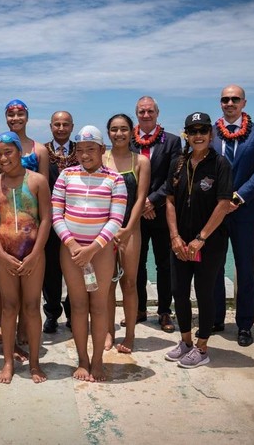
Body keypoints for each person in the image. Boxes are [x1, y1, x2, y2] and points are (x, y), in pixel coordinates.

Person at [52, 125, 127, 382]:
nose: (84, 155)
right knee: (78, 305)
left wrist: (93, 248)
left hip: (102, 251)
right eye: (80, 150)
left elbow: (116, 219)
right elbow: (56, 214)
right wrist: (73, 246)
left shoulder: (115, 179)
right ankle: (82, 359)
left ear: (102, 149)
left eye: (90, 149)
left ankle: (98, 360)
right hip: (71, 251)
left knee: (98, 306)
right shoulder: (65, 175)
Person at [164, 112, 233, 369]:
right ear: (187, 135)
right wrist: (174, 236)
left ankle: (203, 347)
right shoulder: (178, 163)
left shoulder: (220, 164)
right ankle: (185, 342)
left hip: (209, 243)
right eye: (193, 131)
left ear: (211, 134)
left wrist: (201, 238)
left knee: (204, 293)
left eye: (203, 130)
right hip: (180, 242)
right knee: (179, 292)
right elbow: (169, 200)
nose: (198, 135)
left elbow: (224, 203)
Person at [0, 131, 52, 384]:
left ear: (19, 152)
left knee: (32, 307)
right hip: (6, 255)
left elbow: (46, 218)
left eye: (8, 152)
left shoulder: (37, 181)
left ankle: (34, 364)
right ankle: (8, 362)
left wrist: (36, 254)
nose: (3, 158)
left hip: (33, 253)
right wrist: (0, 254)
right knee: (8, 307)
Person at [211, 85, 254, 347]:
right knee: (213, 267)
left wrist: (238, 197)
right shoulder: (209, 133)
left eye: (235, 99)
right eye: (225, 99)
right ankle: (215, 318)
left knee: (245, 269)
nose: (229, 103)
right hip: (213, 212)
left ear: (244, 102)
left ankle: (245, 325)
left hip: (245, 212)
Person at [129, 96, 182, 332]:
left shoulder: (172, 142)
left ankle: (164, 312)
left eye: (150, 111)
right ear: (136, 114)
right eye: (142, 111)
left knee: (164, 264)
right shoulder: (127, 140)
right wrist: (139, 205)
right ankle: (139, 309)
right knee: (136, 264)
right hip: (134, 215)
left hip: (160, 212)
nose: (146, 115)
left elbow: (173, 178)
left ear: (157, 113)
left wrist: (151, 201)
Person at [103, 114, 150, 353]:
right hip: (104, 232)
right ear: (108, 132)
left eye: (123, 129)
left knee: (129, 283)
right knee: (107, 285)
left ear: (132, 131)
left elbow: (141, 198)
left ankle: (130, 335)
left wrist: (129, 228)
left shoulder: (140, 161)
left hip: (131, 229)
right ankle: (109, 332)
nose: (118, 133)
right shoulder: (101, 159)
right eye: (114, 129)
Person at [42, 111, 78, 333]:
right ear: (51, 126)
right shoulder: (42, 152)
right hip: (51, 217)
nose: (61, 128)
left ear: (72, 127)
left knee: (75, 268)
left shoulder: (80, 150)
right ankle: (52, 313)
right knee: (51, 271)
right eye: (57, 124)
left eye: (66, 124)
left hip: (75, 219)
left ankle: (74, 312)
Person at [4, 99, 50, 185]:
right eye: (11, 115)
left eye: (20, 114)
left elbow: (44, 185)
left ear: (27, 118)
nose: (16, 118)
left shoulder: (40, 150)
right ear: (6, 118)